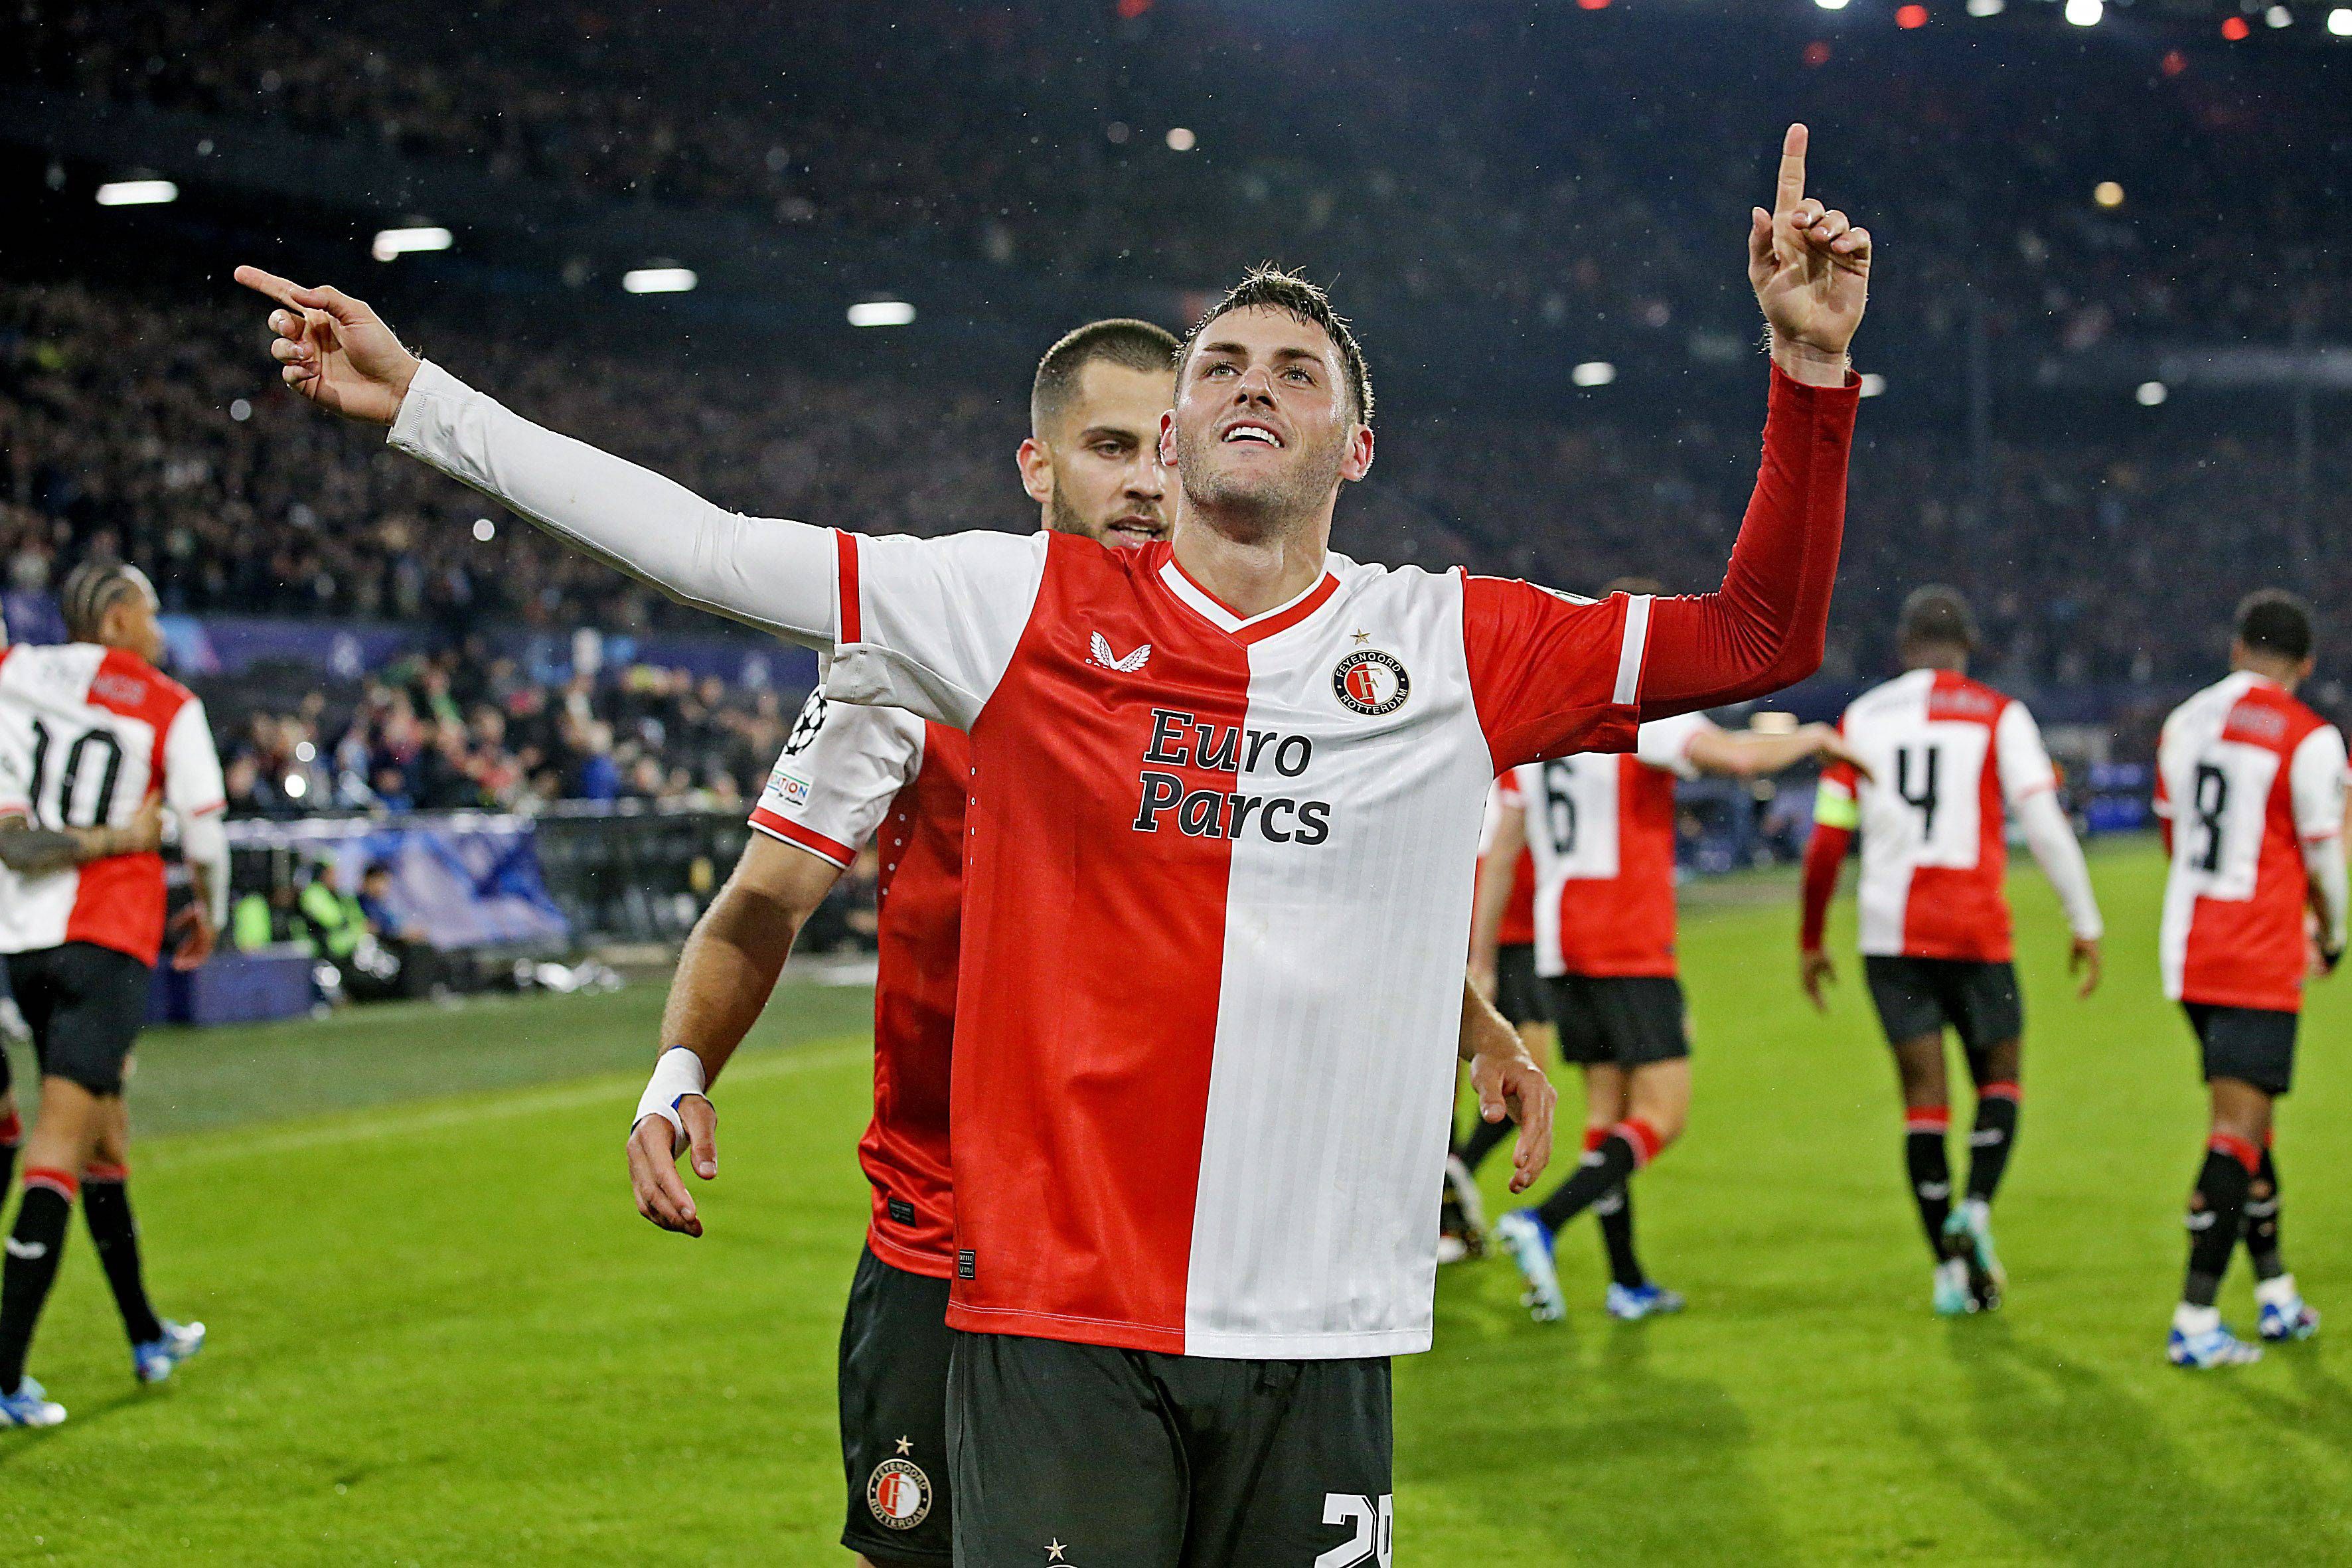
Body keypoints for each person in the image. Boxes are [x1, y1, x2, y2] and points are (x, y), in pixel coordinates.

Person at [235, 120, 1868, 1561]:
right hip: (1053, 1319)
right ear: (1166, 439)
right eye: (1222, 364)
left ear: (1355, 450)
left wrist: (1805, 379)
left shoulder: (1447, 644)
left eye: (1299, 374)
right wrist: (426, 407)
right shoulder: (1012, 607)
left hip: (1320, 1323)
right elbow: (713, 547)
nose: (1252, 386)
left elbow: (1755, 635)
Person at [1473, 612, 1867, 1322]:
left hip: (1561, 944)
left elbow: (1503, 848)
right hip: (1625, 939)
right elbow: (1739, 759)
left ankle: (1625, 1281)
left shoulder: (1548, 718)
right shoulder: (1639, 713)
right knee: (1663, 1114)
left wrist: (1482, 958)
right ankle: (1545, 1222)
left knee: (1606, 1115)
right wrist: (1814, 737)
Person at [1796, 586, 2104, 1316]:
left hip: (1888, 936)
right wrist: (2082, 918)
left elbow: (1828, 840)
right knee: (2001, 1079)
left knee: (1923, 1103)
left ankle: (1946, 1272)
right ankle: (1978, 1207)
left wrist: (1811, 938)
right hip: (1972, 928)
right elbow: (2043, 821)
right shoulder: (2000, 715)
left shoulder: (1863, 718)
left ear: (1904, 650)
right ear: (1966, 649)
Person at [0, 561, 228, 1429]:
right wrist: (205, 909)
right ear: (123, 618)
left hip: (20, 943)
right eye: (154, 611)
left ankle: (144, 1333)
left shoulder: (17, 673)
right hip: (108, 936)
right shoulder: (169, 703)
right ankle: (6, 1374)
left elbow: (13, 830)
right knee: (58, 1146)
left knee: (104, 1133)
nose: (162, 628)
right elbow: (203, 832)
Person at [2150, 590, 2346, 1369]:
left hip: (2189, 948)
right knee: (2235, 1131)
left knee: (2252, 1120)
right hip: (2257, 949)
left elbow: (2175, 831)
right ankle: (2195, 1319)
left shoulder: (2184, 721)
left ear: (2237, 650)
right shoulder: (2310, 737)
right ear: (2305, 665)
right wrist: (2329, 934)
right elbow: (2327, 859)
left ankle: (2275, 1293)